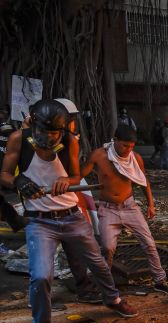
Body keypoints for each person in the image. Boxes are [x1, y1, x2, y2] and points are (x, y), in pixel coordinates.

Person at [0, 99, 137, 323]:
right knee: (41, 276)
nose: (49, 137)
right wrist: (19, 182)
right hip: (40, 221)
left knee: (98, 262)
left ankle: (113, 299)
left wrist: (66, 179)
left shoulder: (69, 142)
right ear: (34, 125)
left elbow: (76, 175)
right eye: (44, 131)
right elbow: (5, 174)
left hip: (72, 216)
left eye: (55, 132)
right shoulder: (19, 140)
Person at [81, 124, 168, 295]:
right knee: (108, 247)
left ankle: (160, 279)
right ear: (115, 140)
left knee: (149, 244)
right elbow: (80, 175)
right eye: (125, 145)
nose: (128, 150)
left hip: (130, 206)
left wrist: (151, 205)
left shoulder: (135, 158)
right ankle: (104, 284)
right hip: (108, 209)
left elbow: (143, 181)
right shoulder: (99, 156)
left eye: (131, 146)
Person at [54, 98, 101, 305]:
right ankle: (39, 296)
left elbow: (74, 175)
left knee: (77, 251)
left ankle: (85, 289)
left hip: (68, 206)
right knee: (42, 261)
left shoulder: (70, 141)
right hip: (44, 209)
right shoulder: (34, 142)